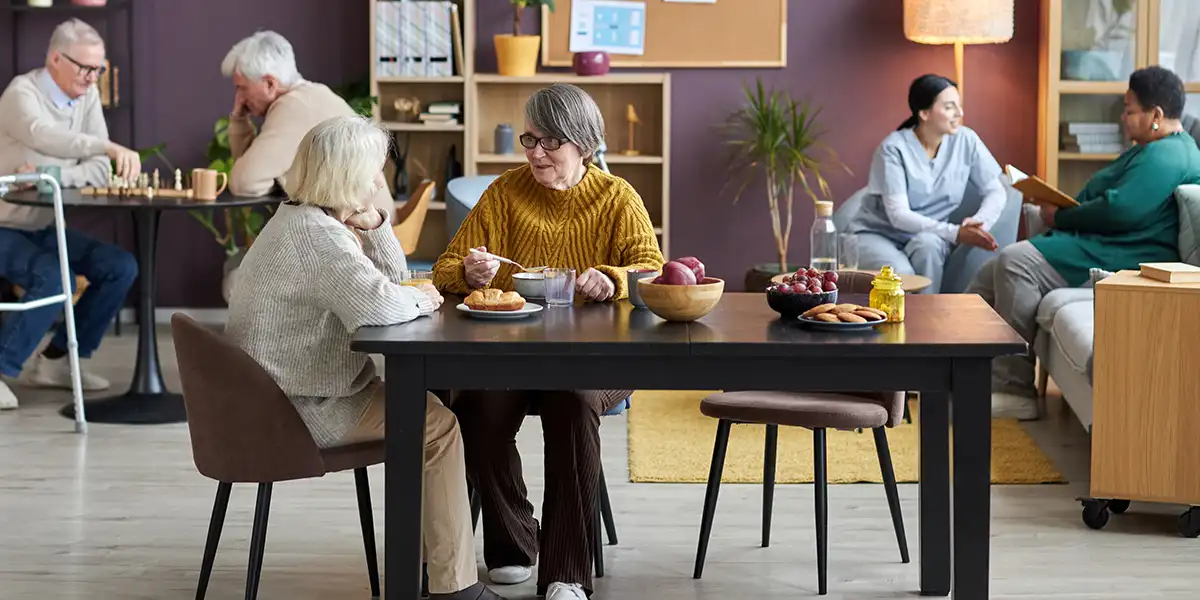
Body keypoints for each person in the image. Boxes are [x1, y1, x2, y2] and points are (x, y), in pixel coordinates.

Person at [223, 115, 501, 600]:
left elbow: (389, 282)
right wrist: (425, 298)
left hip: (274, 397)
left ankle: (425, 567)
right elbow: (383, 305)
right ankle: (455, 589)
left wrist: (375, 224)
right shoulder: (320, 239)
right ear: (348, 175)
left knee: (427, 413)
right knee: (438, 426)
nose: (378, 182)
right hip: (302, 409)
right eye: (373, 171)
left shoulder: (299, 219)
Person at [432, 83, 664, 600]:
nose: (536, 153)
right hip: (514, 352)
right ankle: (515, 542)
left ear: (584, 144)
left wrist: (613, 278)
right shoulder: (505, 192)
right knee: (473, 408)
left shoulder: (616, 197)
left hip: (600, 357)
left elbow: (651, 270)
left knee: (572, 402)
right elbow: (446, 266)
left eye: (551, 142)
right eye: (530, 139)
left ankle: (567, 572)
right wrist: (470, 272)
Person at [969, 65, 1200, 420]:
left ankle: (1014, 390)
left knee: (1016, 263)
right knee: (989, 274)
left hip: (1126, 254)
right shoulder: (1153, 149)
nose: (1123, 117)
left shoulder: (1170, 155)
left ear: (1156, 115)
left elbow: (1121, 209)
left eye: (1129, 110)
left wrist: (1060, 217)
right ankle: (958, 373)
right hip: (1104, 243)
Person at [0, 18, 140, 410]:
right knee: (54, 276)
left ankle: (55, 362)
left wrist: (50, 176)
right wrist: (105, 146)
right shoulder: (21, 94)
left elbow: (99, 169)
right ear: (56, 59)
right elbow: (43, 136)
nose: (93, 78)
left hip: (43, 224)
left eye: (98, 69)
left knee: (120, 266)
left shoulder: (86, 96)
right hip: (3, 224)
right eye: (85, 68)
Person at [848, 74, 1009, 294]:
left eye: (959, 106)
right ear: (924, 113)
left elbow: (996, 189)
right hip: (877, 234)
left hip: (926, 234)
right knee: (901, 275)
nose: (959, 113)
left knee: (929, 247)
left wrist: (980, 222)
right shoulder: (893, 149)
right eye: (950, 107)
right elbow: (898, 215)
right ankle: (901, 316)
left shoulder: (966, 140)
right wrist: (956, 232)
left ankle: (928, 314)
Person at [220, 30, 393, 215]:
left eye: (242, 88)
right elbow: (246, 172)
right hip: (371, 223)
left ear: (270, 84)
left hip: (365, 229)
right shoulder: (310, 95)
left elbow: (244, 183)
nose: (239, 98)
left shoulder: (294, 107)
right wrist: (239, 120)